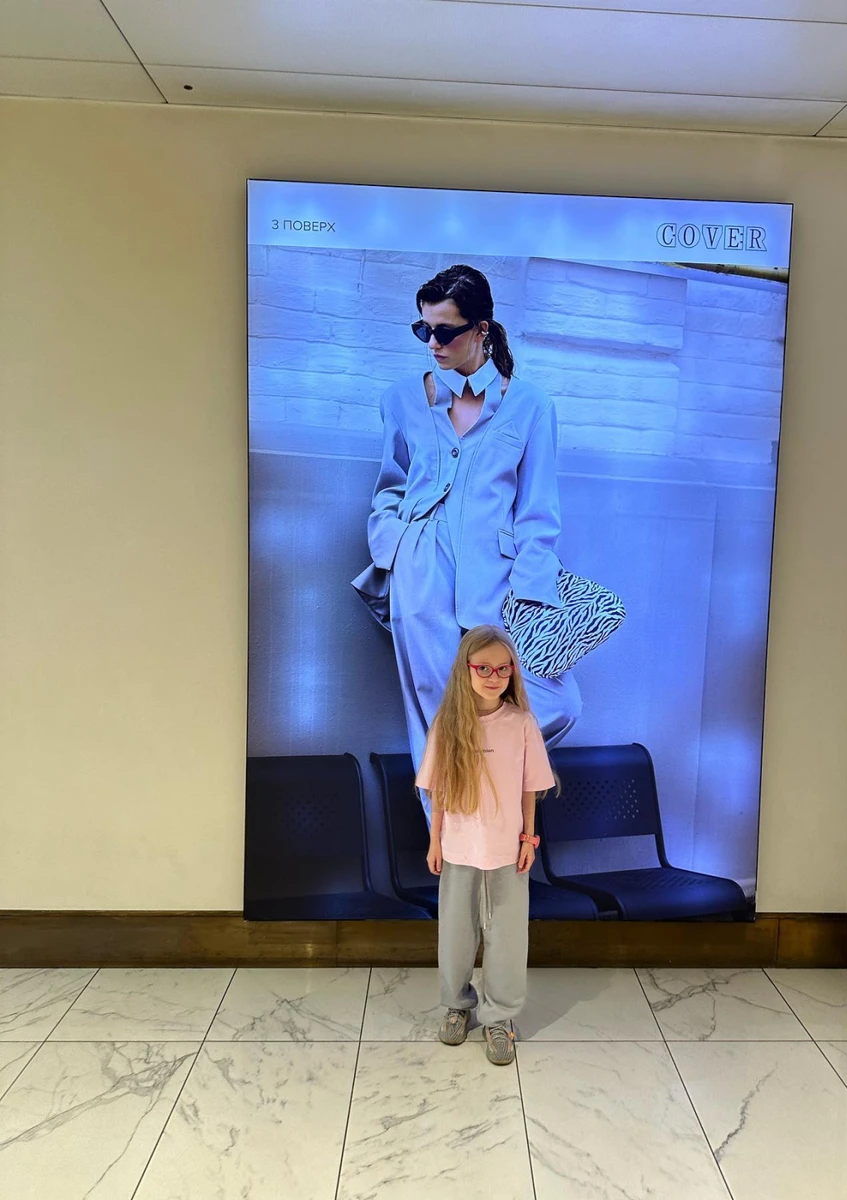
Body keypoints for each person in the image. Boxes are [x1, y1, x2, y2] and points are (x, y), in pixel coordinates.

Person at [351, 263, 581, 818]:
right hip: (419, 572)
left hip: (498, 582)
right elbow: (391, 485)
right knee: (435, 720)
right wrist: (393, 547)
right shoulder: (401, 399)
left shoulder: (530, 406)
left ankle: (483, 815)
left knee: (557, 701)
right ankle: (453, 853)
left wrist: (532, 598)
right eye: (423, 329)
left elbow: (538, 514)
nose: (432, 343)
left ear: (481, 329)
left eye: (445, 331)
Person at [415, 625, 554, 1065]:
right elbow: (438, 791)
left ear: (513, 672)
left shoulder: (521, 724)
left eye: (503, 669)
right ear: (466, 669)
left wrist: (529, 837)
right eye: (484, 668)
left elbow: (530, 787)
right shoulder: (448, 725)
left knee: (507, 939)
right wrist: (435, 841)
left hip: (508, 853)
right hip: (458, 850)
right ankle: (458, 1006)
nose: (494, 677)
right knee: (456, 935)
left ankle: (500, 1016)